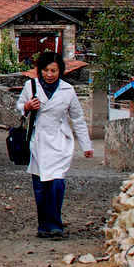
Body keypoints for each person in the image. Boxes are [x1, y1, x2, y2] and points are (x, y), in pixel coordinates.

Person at [16, 51, 93, 239]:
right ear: (40, 70)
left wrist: (86, 145)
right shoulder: (31, 86)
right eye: (46, 70)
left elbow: (77, 118)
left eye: (54, 70)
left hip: (60, 140)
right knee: (41, 186)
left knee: (57, 184)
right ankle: (43, 225)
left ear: (60, 71)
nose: (50, 74)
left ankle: (55, 225)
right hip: (38, 141)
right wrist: (27, 107)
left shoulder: (67, 90)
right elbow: (19, 106)